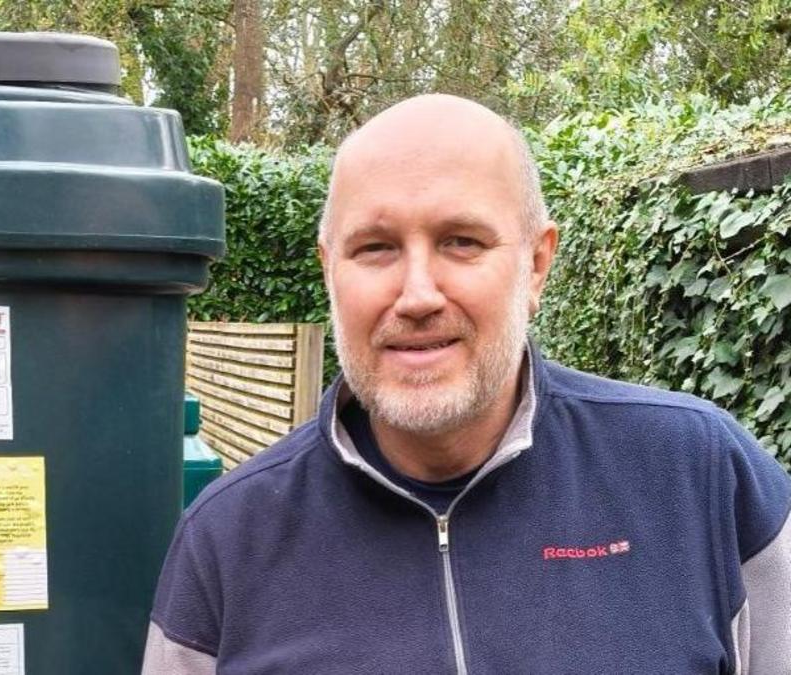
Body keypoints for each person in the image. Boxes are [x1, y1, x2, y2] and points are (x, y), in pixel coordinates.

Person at [142, 94, 791, 674]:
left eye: (460, 241)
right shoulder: (224, 544)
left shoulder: (702, 478)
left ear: (536, 264)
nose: (417, 294)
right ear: (329, 269)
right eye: (375, 247)